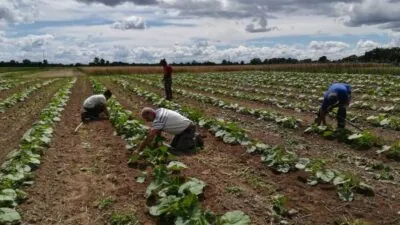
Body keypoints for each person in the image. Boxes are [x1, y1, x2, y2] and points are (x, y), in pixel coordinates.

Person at [135, 107, 203, 154]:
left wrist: (139, 150)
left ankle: (195, 138)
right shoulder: (160, 110)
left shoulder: (159, 119)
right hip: (181, 131)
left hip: (188, 129)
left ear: (151, 113)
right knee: (173, 146)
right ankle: (189, 138)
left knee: (182, 151)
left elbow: (150, 136)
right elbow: (158, 130)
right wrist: (156, 143)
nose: (147, 120)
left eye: (147, 118)